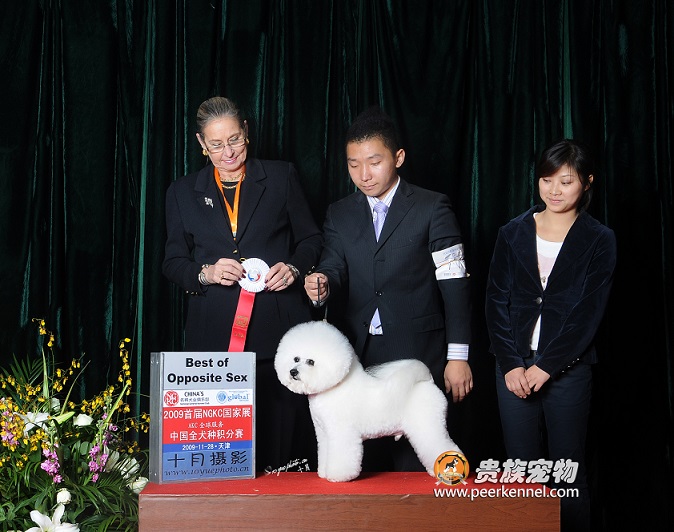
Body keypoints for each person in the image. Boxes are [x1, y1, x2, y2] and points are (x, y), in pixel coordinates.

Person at [304, 106, 473, 472]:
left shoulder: (432, 207)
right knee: (359, 469)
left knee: (419, 466)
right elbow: (333, 267)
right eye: (353, 165)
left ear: (398, 157)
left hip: (417, 354)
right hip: (357, 357)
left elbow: (455, 284)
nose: (363, 175)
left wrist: (458, 356)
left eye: (374, 162)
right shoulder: (339, 212)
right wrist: (321, 284)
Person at [162, 96, 322, 473]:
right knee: (221, 458)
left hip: (279, 335)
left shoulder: (281, 177)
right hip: (214, 341)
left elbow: (311, 239)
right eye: (216, 144)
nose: (228, 152)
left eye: (234, 139)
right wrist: (206, 272)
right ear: (201, 143)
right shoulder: (182, 191)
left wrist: (295, 268)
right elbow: (172, 261)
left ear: (246, 131)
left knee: (283, 454)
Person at [485, 139, 616, 531]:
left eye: (566, 181)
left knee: (567, 471)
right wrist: (511, 365)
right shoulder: (512, 232)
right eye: (547, 180)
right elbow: (495, 302)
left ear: (587, 182)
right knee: (520, 470)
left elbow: (588, 314)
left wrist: (546, 367)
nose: (554, 190)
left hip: (568, 370)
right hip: (512, 368)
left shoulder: (599, 238)